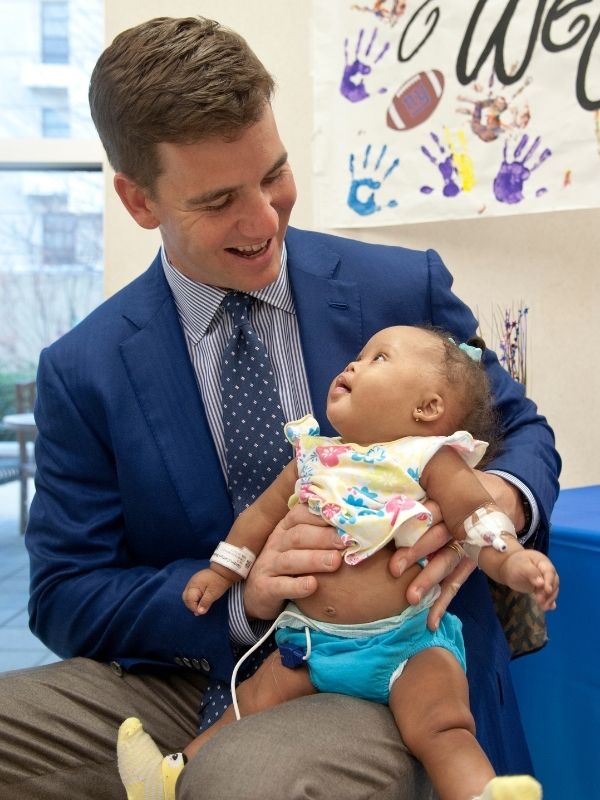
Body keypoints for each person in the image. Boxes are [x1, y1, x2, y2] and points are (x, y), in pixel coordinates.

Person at [0, 16, 561, 800]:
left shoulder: (401, 290)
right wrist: (241, 596)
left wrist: (487, 505)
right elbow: (64, 594)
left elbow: (523, 433)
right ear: (138, 200)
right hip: (178, 673)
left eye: (274, 174)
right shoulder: (82, 368)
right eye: (220, 199)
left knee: (244, 780)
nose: (264, 220)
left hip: (381, 666)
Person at [117, 326, 558, 800]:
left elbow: (477, 518)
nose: (353, 365)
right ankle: (169, 779)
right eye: (358, 354)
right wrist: (222, 570)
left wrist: (512, 562)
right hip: (310, 648)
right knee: (245, 705)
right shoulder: (314, 456)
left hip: (405, 648)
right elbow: (260, 516)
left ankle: (479, 793)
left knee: (442, 726)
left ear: (427, 408)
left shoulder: (427, 459)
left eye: (378, 359)